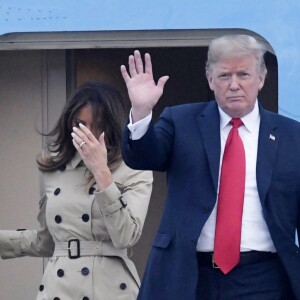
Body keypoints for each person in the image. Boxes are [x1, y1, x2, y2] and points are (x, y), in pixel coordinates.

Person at [120, 34, 300, 299]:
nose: (234, 85)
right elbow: (143, 157)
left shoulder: (291, 136)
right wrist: (141, 112)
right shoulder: (181, 121)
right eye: (225, 76)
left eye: (244, 74)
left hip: (264, 279)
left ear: (261, 79)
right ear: (210, 79)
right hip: (190, 276)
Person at [0, 80, 153, 300]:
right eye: (80, 124)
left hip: (109, 289)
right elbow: (47, 242)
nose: (87, 134)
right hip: (59, 289)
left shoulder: (134, 168)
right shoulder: (53, 168)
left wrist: (101, 172)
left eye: (97, 126)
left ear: (110, 127)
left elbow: (126, 237)